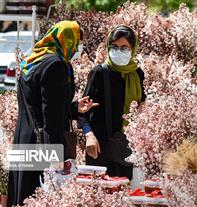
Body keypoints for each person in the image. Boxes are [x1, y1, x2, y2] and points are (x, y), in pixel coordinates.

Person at [8, 20, 98, 206]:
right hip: (44, 147)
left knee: (23, 197)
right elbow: (51, 117)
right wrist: (58, 162)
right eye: (77, 42)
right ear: (66, 40)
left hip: (23, 141)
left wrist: (72, 108)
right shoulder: (55, 65)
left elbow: (37, 106)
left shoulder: (31, 61)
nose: (78, 47)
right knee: (41, 198)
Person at [78, 25, 146, 180]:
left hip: (127, 149)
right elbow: (82, 111)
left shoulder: (137, 74)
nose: (119, 51)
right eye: (114, 47)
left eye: (124, 48)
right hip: (100, 148)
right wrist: (89, 135)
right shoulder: (99, 73)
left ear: (133, 49)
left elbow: (142, 106)